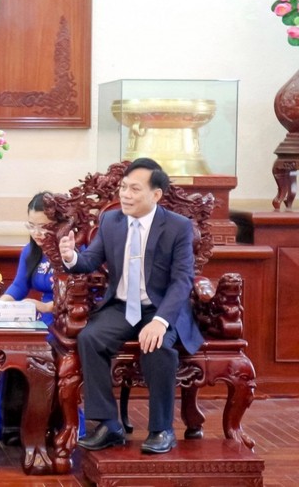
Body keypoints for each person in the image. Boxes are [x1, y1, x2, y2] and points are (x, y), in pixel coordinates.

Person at [58, 158, 203, 454]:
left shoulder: (178, 227)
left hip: (161, 307)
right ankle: (109, 425)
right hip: (122, 306)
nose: (125, 194)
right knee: (90, 338)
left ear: (156, 194)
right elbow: (89, 260)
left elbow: (182, 280)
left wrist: (161, 321)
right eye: (123, 187)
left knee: (158, 346)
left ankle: (161, 430)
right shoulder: (111, 221)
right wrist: (72, 256)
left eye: (135, 189)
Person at [0, 193, 84, 444]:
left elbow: (87, 294)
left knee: (37, 347)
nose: (36, 232)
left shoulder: (77, 251)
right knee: (15, 344)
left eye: (43, 226)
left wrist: (46, 306)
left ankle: (49, 422)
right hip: (40, 317)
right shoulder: (31, 251)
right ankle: (12, 422)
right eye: (31, 225)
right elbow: (19, 287)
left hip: (67, 317)